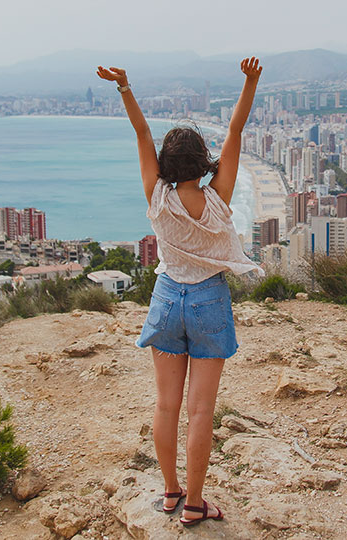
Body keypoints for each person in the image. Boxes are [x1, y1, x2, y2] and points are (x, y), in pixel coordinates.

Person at [96, 57, 263, 527]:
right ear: (202, 162)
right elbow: (235, 130)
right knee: (201, 411)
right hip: (209, 300)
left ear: (166, 165)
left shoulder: (156, 195)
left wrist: (126, 87)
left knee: (166, 405)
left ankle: (170, 492)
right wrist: (250, 81)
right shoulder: (218, 197)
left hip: (168, 298)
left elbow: (142, 136)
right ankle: (195, 503)